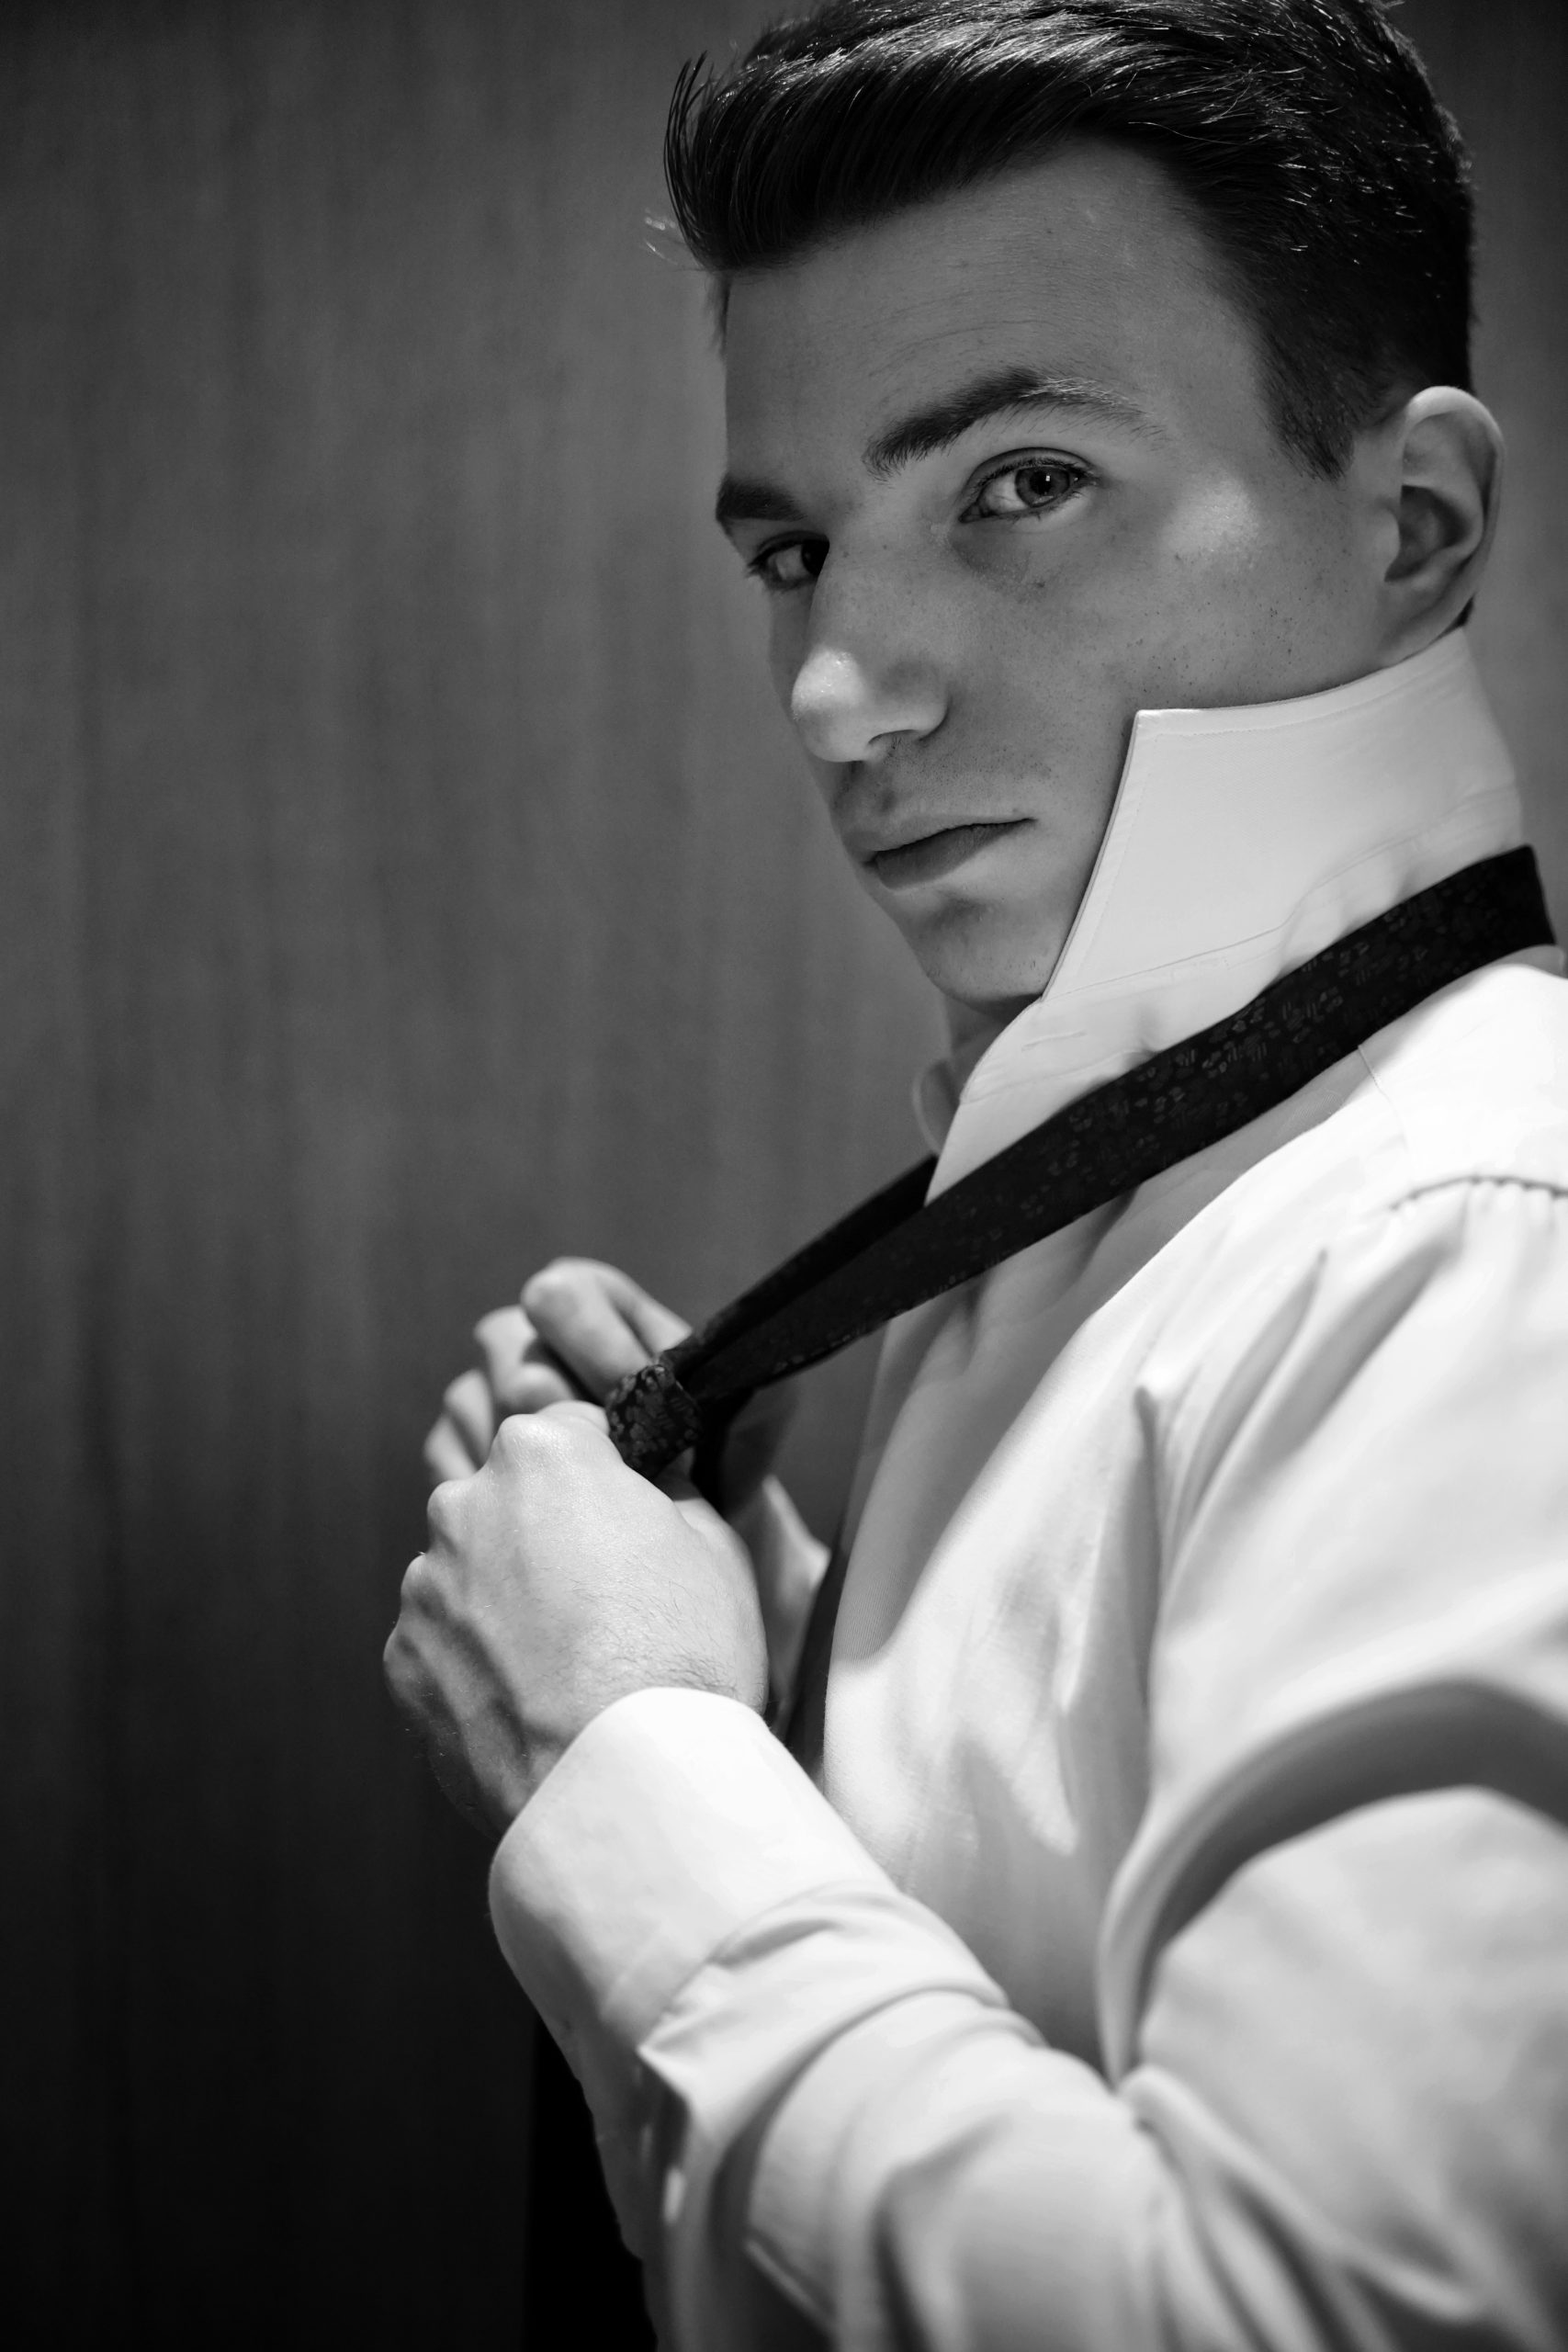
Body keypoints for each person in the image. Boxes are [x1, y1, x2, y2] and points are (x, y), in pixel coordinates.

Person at [385, 4, 1568, 2345]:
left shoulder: (1467, 1245)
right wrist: (757, 1665)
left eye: (1018, 483)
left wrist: (625, 1766)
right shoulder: (1129, 1215)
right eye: (794, 548)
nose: (836, 692)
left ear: (1412, 524)